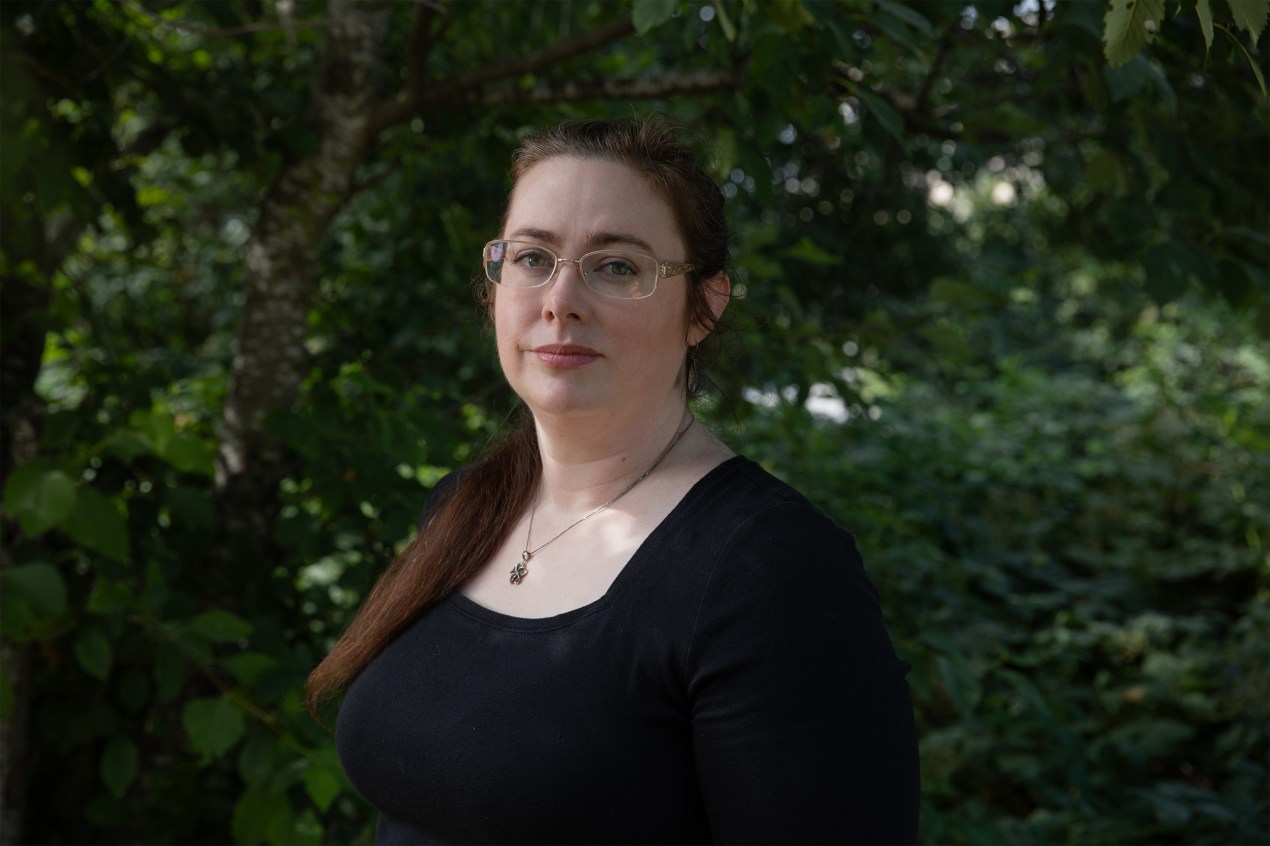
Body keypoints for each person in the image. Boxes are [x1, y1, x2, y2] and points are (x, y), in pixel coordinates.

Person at [308, 117, 920, 844]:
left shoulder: (771, 574)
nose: (560, 299)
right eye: (533, 258)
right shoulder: (465, 507)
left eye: (617, 267)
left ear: (705, 307)